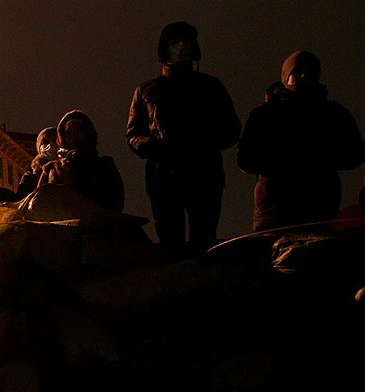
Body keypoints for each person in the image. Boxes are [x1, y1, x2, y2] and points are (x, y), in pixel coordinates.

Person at [126, 21, 241, 253]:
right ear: (165, 48)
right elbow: (133, 134)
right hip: (165, 178)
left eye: (187, 42)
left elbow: (231, 128)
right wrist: (156, 147)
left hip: (203, 175)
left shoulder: (210, 86)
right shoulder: (147, 90)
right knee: (171, 243)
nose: (182, 47)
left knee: (204, 242)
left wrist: (201, 145)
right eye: (175, 42)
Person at [237, 50, 365, 232]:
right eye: (297, 70)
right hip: (277, 214)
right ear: (286, 76)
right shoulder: (265, 114)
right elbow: (245, 160)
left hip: (316, 212)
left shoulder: (334, 113)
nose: (305, 75)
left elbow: (355, 155)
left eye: (311, 71)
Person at [39, 110, 125, 212]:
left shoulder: (105, 165)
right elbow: (41, 203)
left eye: (79, 131)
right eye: (69, 133)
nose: (74, 136)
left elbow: (116, 201)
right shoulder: (52, 168)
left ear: (87, 133)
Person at [15, 127, 58, 199]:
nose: (50, 145)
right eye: (45, 143)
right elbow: (22, 197)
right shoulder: (31, 175)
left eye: (54, 141)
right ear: (39, 148)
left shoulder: (68, 167)